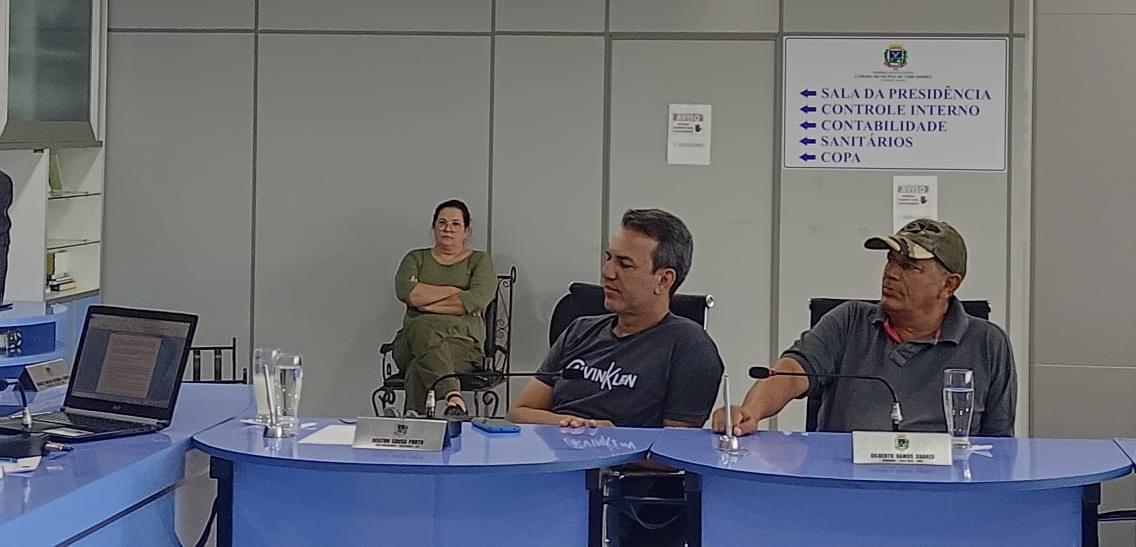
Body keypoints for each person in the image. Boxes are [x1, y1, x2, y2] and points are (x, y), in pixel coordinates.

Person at [508, 208, 723, 547]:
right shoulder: (579, 330)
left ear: (663, 280)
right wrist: (573, 426)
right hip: (548, 483)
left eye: (625, 264)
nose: (607, 273)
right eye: (609, 259)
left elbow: (676, 453)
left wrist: (610, 443)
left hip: (628, 502)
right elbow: (519, 413)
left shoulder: (689, 347)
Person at [714, 218, 1016, 436]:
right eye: (890, 260)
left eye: (908, 267)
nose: (891, 273)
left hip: (945, 492)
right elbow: (792, 372)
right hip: (846, 485)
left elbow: (1000, 445)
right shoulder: (849, 321)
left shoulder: (987, 343)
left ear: (949, 285)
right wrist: (750, 411)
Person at [393, 199, 495, 417]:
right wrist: (455, 292)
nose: (448, 229)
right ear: (434, 227)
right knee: (421, 327)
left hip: (463, 345)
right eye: (442, 223)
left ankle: (414, 423)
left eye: (455, 224)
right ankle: (453, 397)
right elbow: (407, 293)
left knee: (419, 366)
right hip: (410, 344)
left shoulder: (479, 261)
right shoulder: (415, 258)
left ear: (466, 231)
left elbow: (477, 299)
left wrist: (424, 301)